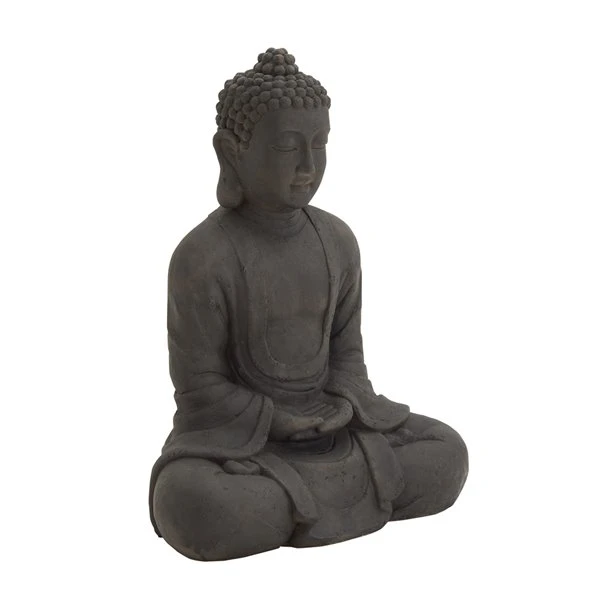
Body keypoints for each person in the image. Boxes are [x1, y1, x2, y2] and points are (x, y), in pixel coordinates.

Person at [149, 48, 468, 561]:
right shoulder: (202, 257)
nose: (308, 166)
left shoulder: (337, 240)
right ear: (231, 153)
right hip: (244, 443)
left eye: (320, 145)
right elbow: (198, 387)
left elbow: (347, 354)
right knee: (194, 504)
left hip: (338, 428)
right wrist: (275, 420)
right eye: (286, 147)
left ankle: (291, 511)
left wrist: (344, 404)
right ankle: (289, 504)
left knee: (447, 454)